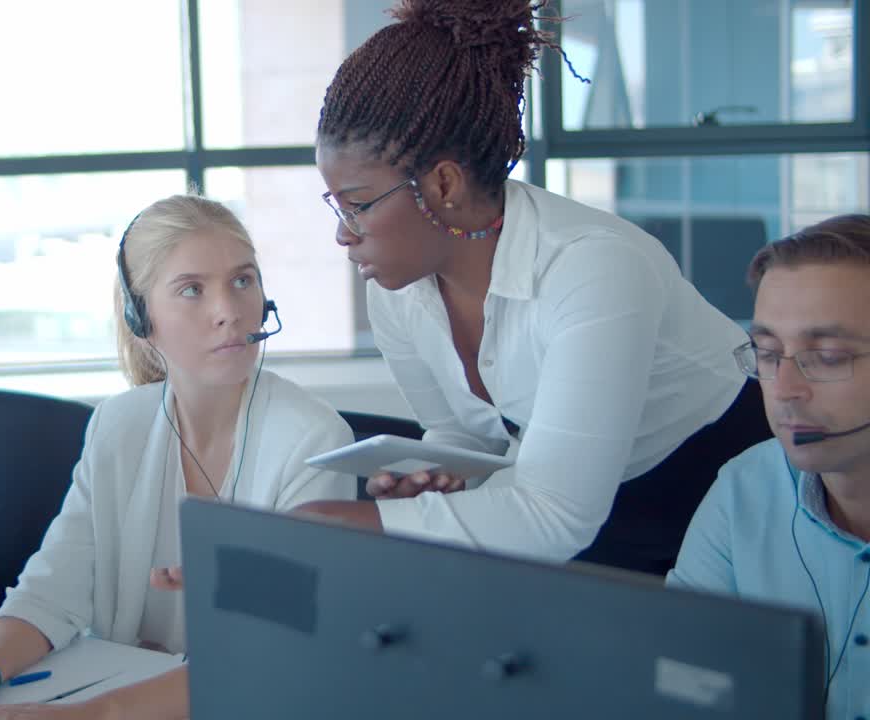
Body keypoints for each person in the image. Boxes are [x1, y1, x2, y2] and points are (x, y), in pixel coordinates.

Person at [297, 0, 771, 574]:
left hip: (717, 494)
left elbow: (554, 513)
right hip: (571, 506)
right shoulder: (397, 290)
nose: (343, 236)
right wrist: (439, 482)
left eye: (358, 205)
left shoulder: (592, 268)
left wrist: (347, 523)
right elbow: (458, 435)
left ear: (442, 183)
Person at [0, 195, 354, 720]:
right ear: (142, 317)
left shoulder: (314, 440)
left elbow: (270, 652)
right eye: (192, 289)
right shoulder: (119, 426)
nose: (228, 310)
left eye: (243, 280)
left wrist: (92, 716)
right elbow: (52, 588)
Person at [669, 215, 870, 718]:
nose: (783, 389)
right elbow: (679, 680)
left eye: (826, 356)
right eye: (767, 352)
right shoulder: (744, 491)